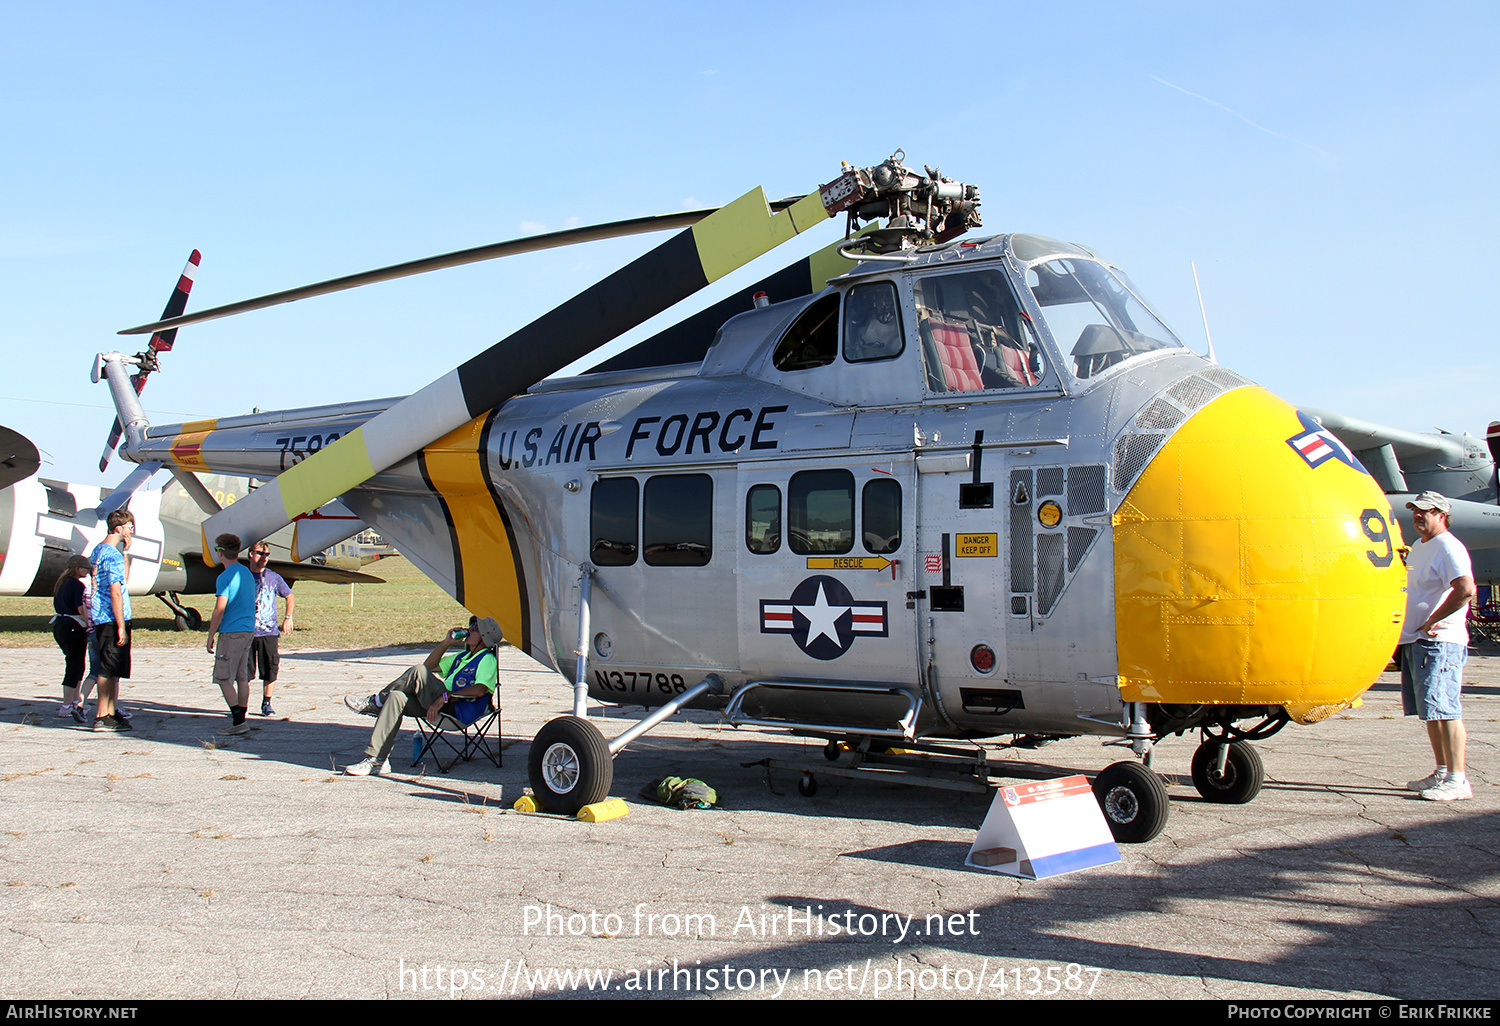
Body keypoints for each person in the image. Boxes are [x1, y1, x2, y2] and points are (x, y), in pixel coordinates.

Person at [341, 616, 504, 776]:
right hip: (437, 705)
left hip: (455, 709)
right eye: (471, 626)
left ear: (484, 638)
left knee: (417, 671)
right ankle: (377, 760)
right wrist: (446, 643)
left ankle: (376, 702)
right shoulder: (462, 657)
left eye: (475, 628)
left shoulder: (487, 659)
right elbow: (429, 667)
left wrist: (445, 698)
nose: (469, 629)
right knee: (396, 697)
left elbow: (481, 689)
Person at [1399, 491, 1476, 801]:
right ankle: (1442, 772)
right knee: (1431, 711)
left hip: (1440, 642)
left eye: (1426, 511)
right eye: (1416, 511)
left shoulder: (1448, 547)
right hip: (1418, 642)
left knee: (1446, 710)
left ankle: (1458, 780)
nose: (1419, 516)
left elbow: (1466, 589)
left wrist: (1432, 621)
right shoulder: (1420, 546)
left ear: (1442, 516)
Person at [89, 509, 135, 733]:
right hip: (110, 617)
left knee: (113, 668)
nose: (131, 531)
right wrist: (120, 627)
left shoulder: (100, 550)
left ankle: (111, 711)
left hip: (102, 617)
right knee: (107, 669)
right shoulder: (111, 554)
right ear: (119, 528)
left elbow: (123, 580)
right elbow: (116, 591)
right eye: (129, 528)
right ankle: (101, 714)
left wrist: (126, 552)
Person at [206, 533, 256, 735]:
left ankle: (238, 722)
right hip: (248, 629)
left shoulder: (225, 576)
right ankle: (242, 717)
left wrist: (211, 634)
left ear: (220, 553)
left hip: (231, 631)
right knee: (242, 676)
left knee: (223, 677)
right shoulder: (246, 573)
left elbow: (220, 609)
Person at [246, 542, 295, 716]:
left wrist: (288, 618)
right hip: (247, 632)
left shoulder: (273, 577)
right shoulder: (243, 576)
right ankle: (241, 706)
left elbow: (289, 595)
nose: (264, 557)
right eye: (260, 553)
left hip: (269, 632)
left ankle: (266, 703)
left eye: (267, 554)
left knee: (270, 668)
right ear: (251, 554)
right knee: (245, 671)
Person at [51, 555, 92, 723]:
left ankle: (75, 701)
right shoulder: (77, 585)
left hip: (60, 625)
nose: (88, 571)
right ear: (77, 568)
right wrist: (90, 623)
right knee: (74, 665)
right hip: (73, 626)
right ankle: (67, 705)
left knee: (76, 663)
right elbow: (81, 609)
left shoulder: (61, 583)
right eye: (85, 568)